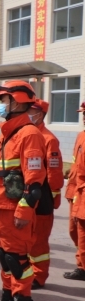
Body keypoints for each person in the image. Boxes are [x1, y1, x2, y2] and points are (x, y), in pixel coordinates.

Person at [0, 80, 46, 301]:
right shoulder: (10, 133)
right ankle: (7, 300)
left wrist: (24, 210)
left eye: (4, 100)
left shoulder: (29, 134)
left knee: (16, 259)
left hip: (13, 207)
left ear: (17, 102)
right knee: (4, 256)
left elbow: (34, 180)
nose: (1, 105)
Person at [25, 99, 64, 290]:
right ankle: (28, 272)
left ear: (39, 115)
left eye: (30, 111)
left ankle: (39, 276)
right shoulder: (27, 135)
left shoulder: (48, 139)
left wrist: (54, 194)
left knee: (39, 238)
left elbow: (54, 172)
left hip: (43, 193)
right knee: (26, 236)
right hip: (28, 192)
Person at [65, 102, 85, 285]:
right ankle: (81, 266)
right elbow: (75, 164)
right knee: (74, 231)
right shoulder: (81, 136)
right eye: (83, 114)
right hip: (76, 191)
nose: (84, 117)